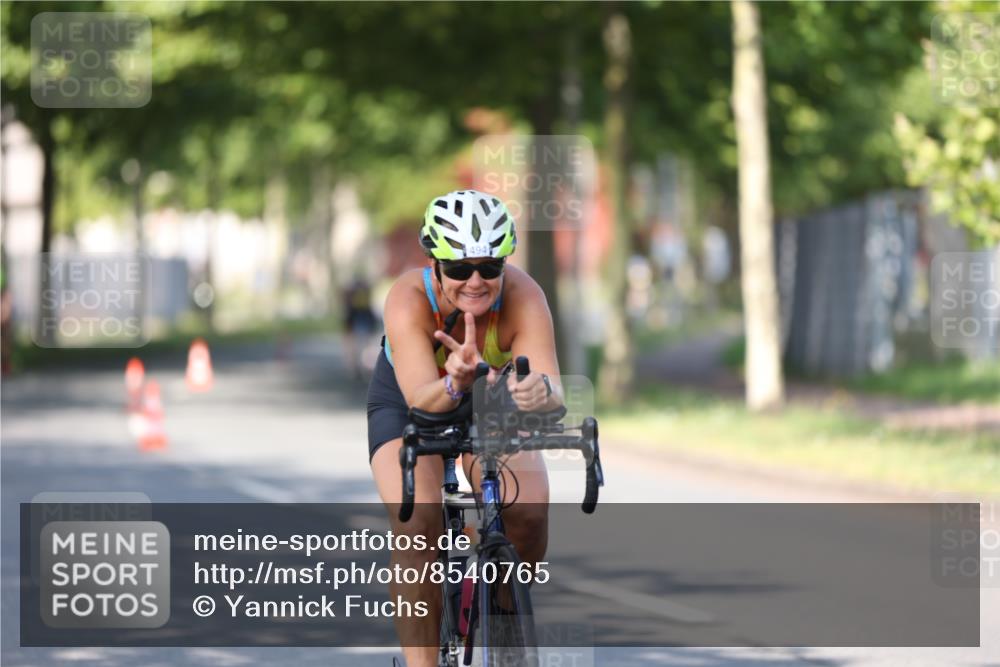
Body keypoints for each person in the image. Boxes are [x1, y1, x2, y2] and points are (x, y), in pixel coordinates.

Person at [367, 190, 563, 666]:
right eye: (459, 269)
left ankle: (505, 625)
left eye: (489, 268)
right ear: (434, 264)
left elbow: (553, 390)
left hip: (491, 397)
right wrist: (454, 380)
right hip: (415, 401)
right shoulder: (408, 298)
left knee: (529, 511)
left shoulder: (524, 296)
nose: (475, 281)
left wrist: (538, 393)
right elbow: (420, 397)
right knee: (417, 522)